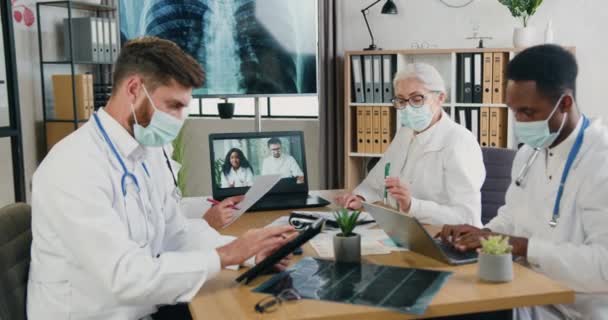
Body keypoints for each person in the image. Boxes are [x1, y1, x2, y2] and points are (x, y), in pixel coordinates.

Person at [27, 37, 294, 320]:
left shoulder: (148, 151)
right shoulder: (74, 166)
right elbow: (124, 277)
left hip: (145, 307)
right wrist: (226, 255)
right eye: (173, 105)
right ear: (133, 89)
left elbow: (176, 235)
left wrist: (251, 254)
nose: (180, 119)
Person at [439, 45, 608, 319]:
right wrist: (481, 235)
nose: (518, 121)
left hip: (572, 311)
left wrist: (521, 246)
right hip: (522, 291)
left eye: (528, 113)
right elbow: (511, 216)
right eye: (514, 111)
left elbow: (604, 267)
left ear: (565, 103)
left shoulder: (601, 160)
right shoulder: (529, 153)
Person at [337, 63, 485, 227]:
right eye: (401, 100)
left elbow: (466, 217)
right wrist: (361, 197)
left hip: (446, 238)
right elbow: (377, 182)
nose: (407, 107)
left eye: (416, 99)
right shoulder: (405, 132)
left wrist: (412, 205)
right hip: (404, 229)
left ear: (440, 98)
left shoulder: (460, 141)